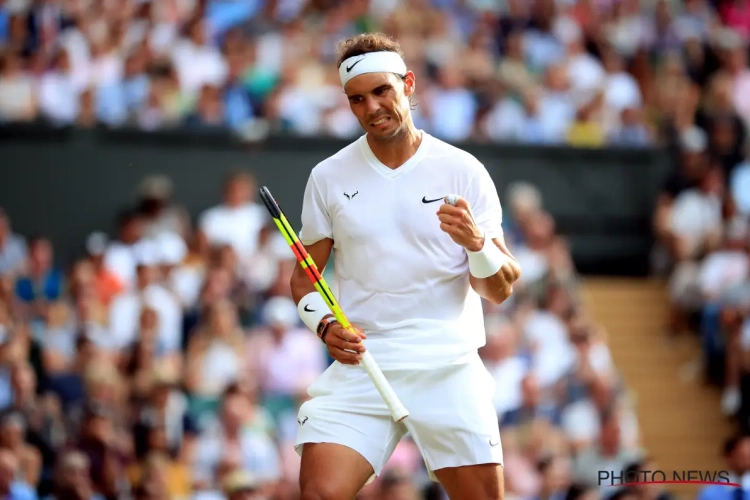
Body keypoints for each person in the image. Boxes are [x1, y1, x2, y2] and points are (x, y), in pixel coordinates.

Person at [289, 33, 522, 500]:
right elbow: (303, 278)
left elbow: (499, 288)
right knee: (319, 492)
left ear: (408, 84)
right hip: (364, 366)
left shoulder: (463, 169)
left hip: (448, 366)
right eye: (357, 99)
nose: (372, 107)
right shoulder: (327, 177)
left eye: (382, 91)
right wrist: (324, 326)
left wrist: (476, 243)